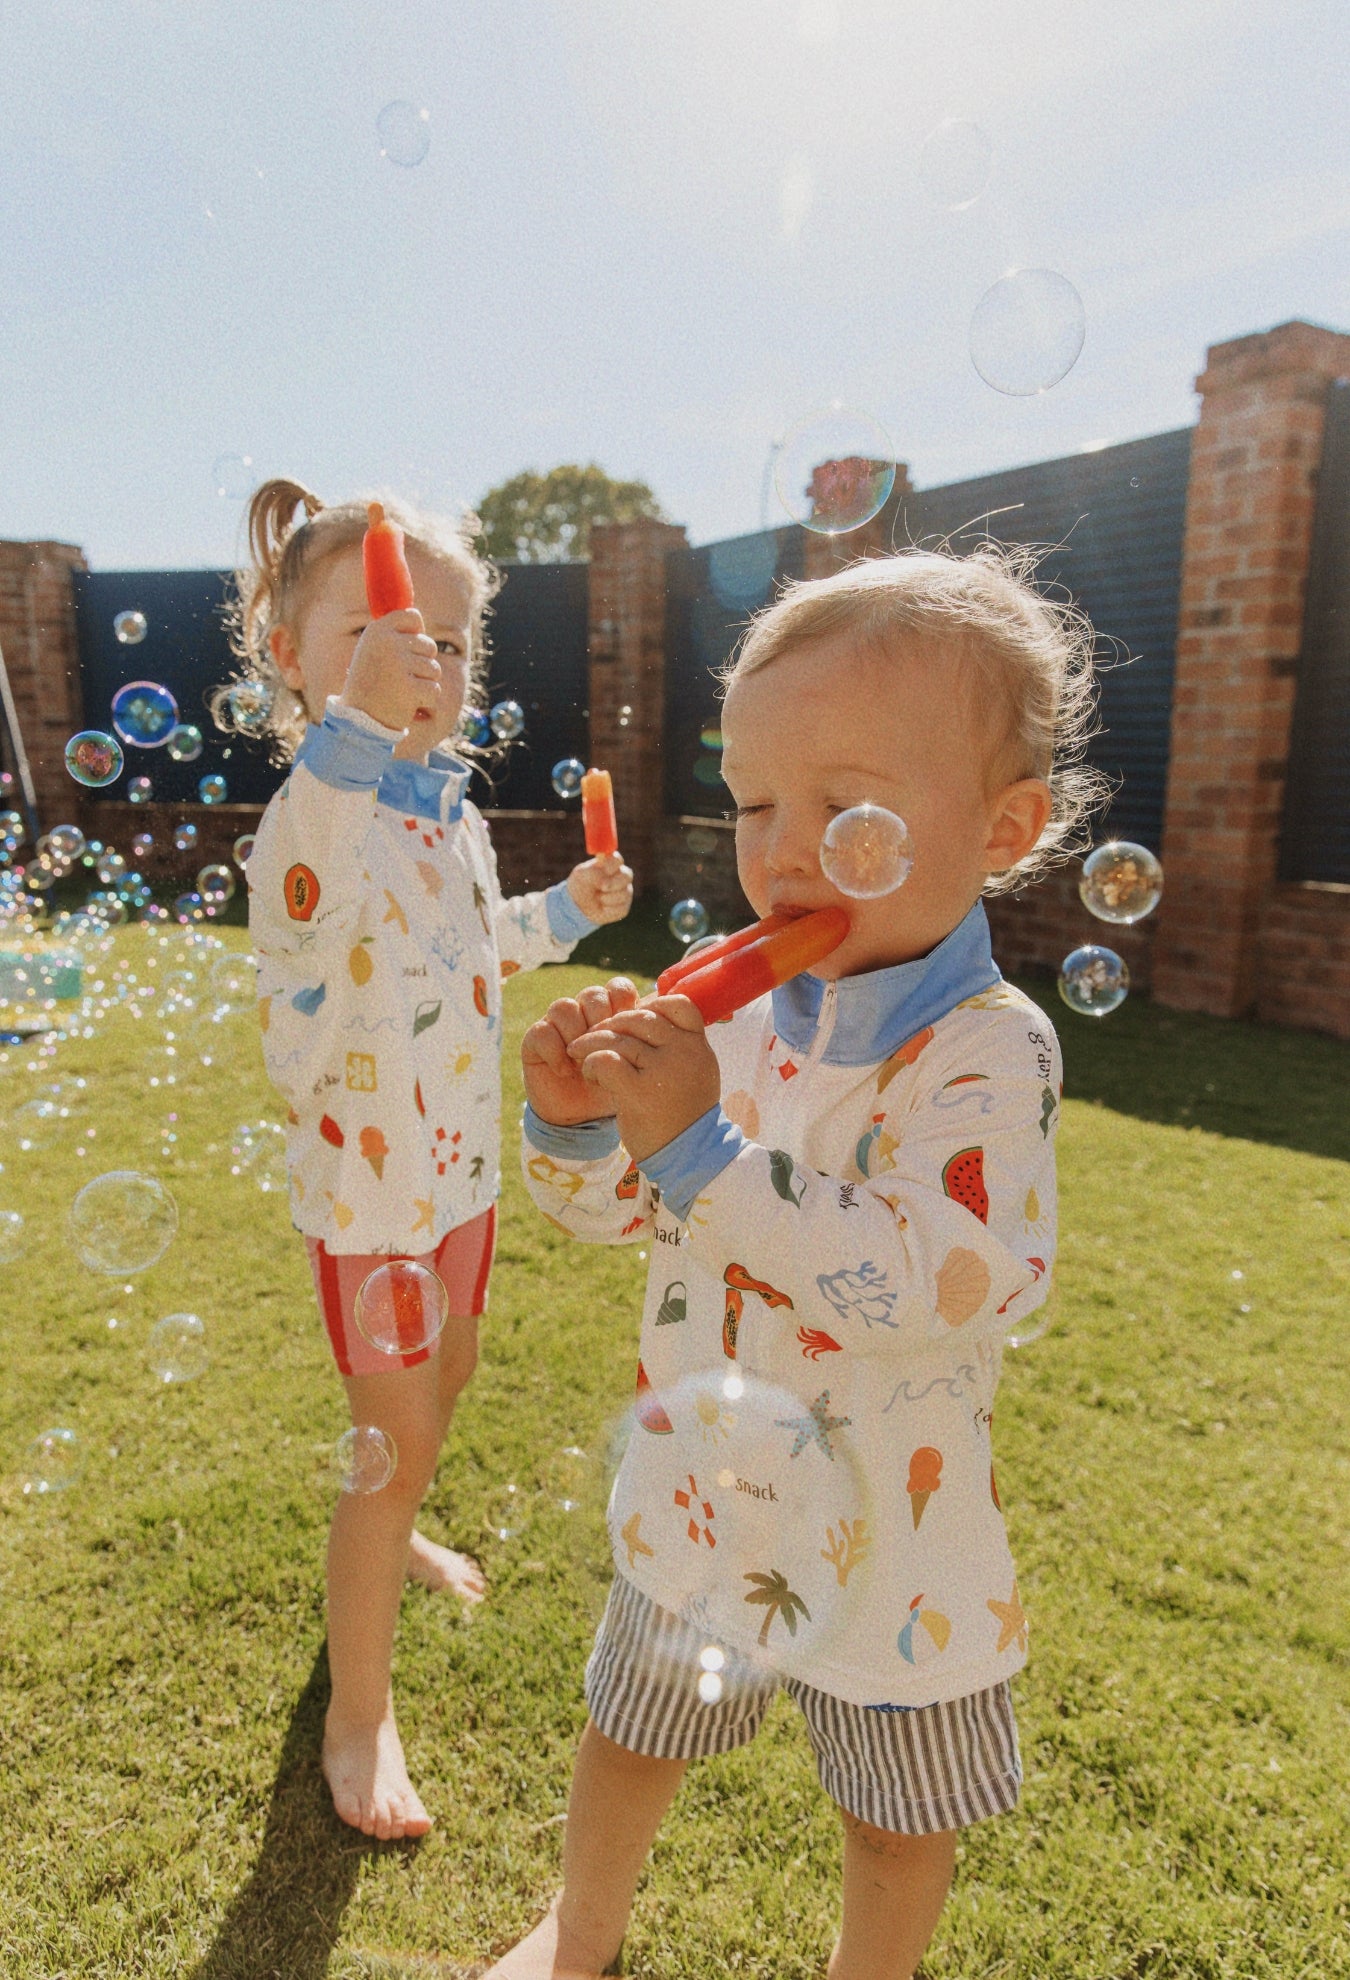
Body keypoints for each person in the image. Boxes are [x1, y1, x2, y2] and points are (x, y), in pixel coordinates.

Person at [496, 547, 1105, 1978]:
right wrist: (579, 1132)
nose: (780, 846)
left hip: (900, 1527)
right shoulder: (745, 1028)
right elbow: (618, 1226)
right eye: (756, 801)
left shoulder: (984, 1050)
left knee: (897, 1822)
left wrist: (702, 1151)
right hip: (705, 1478)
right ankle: (575, 1939)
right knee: (631, 1734)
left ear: (1003, 827)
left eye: (844, 808)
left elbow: (938, 1280)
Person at [235, 480, 632, 1842]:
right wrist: (353, 727)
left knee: (449, 1379)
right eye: (387, 627)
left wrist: (563, 913)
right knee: (382, 1448)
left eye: (453, 640)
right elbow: (301, 901)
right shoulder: (316, 809)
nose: (427, 657)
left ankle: (397, 1523)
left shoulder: (441, 811)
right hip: (371, 1199)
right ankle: (359, 1715)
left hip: (456, 1181)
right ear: (292, 657)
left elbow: (478, 947)